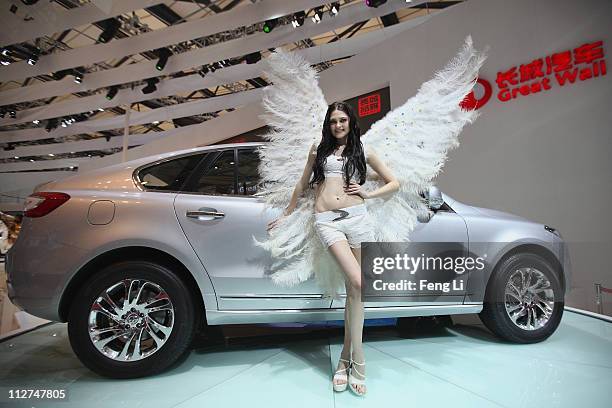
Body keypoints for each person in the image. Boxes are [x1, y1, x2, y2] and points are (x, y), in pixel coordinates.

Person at [267, 101, 400, 396]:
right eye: (332, 121)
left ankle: (344, 359)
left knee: (356, 292)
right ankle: (359, 359)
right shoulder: (318, 151)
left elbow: (395, 182)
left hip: (358, 220)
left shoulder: (363, 151)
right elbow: (303, 184)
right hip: (328, 222)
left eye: (342, 120)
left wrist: (368, 193)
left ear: (351, 122)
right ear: (327, 125)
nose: (337, 125)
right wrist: (287, 214)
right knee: (357, 281)